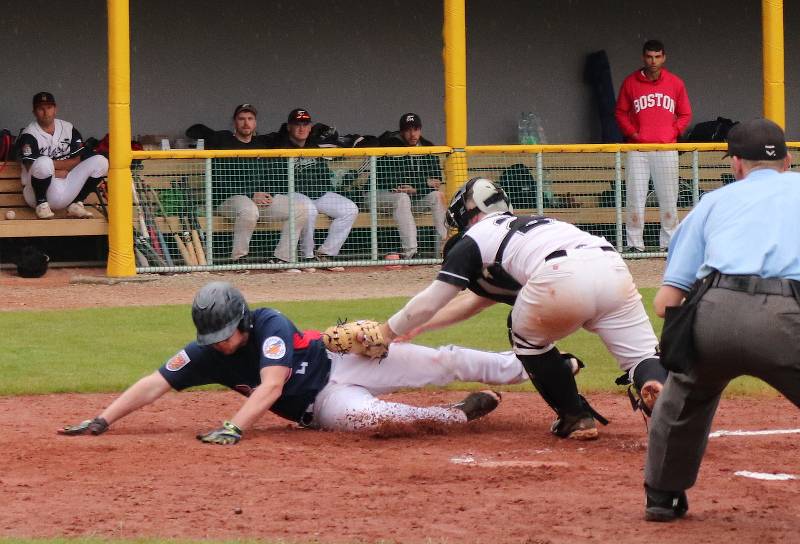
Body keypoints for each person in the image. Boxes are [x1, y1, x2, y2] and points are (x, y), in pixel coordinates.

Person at [371, 178, 667, 440]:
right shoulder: (535, 224)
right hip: (611, 267)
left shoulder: (475, 237)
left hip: (560, 275)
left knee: (524, 335)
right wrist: (421, 326)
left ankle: (575, 416)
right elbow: (478, 300)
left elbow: (434, 298)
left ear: (465, 213)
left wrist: (387, 331)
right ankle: (656, 386)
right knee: (642, 357)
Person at [58, 281, 527, 444]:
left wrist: (235, 426)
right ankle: (457, 414)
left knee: (440, 362)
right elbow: (154, 382)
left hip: (345, 363)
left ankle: (531, 366)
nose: (220, 345)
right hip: (321, 406)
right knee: (376, 420)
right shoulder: (205, 354)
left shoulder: (270, 323)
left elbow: (271, 388)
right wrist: (102, 418)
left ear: (242, 319)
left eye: (226, 334)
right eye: (213, 338)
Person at [644, 118, 800, 522]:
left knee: (684, 395)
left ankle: (662, 497)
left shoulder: (714, 202)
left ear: (736, 165)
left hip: (715, 312)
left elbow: (665, 302)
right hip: (788, 316)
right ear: (787, 160)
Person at [186, 104, 310, 264]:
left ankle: (282, 258)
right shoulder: (223, 142)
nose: (246, 123)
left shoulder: (262, 143)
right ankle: (239, 259)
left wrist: (268, 193)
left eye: (250, 119)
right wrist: (251, 193)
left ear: (255, 122)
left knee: (300, 210)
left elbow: (271, 173)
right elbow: (220, 180)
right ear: (234, 122)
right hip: (229, 200)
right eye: (241, 119)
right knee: (249, 210)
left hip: (258, 200)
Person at [615, 40, 692, 252]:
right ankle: (634, 244)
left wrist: (673, 132)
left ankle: (669, 243)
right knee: (635, 197)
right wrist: (632, 133)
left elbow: (685, 113)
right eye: (649, 56)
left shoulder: (675, 83)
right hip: (638, 149)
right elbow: (620, 112)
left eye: (657, 56)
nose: (653, 61)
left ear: (664, 57)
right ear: (643, 57)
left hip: (666, 148)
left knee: (668, 198)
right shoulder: (631, 82)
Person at [266, 109, 359, 264]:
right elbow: (277, 178)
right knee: (309, 210)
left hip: (317, 193)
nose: (302, 128)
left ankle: (325, 253)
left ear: (310, 127)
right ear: (289, 127)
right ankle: (307, 256)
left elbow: (323, 173)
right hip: (292, 193)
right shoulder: (280, 146)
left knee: (350, 209)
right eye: (297, 124)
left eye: (305, 124)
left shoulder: (313, 145)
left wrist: (326, 188)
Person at [18, 92, 108, 220]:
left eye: (49, 107)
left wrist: (53, 169)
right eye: (40, 108)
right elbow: (31, 167)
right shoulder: (29, 134)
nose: (45, 112)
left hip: (66, 186)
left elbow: (76, 160)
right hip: (35, 192)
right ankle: (41, 204)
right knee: (43, 162)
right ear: (34, 112)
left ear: (55, 109)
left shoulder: (68, 128)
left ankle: (76, 204)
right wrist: (56, 171)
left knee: (101, 161)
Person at [377, 113, 447, 258]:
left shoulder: (427, 147)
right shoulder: (391, 144)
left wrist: (416, 188)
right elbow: (395, 183)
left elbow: (436, 182)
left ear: (420, 129)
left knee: (437, 196)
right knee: (402, 197)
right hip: (381, 195)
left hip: (412, 198)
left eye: (415, 129)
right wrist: (423, 184)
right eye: (408, 130)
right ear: (402, 131)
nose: (412, 134)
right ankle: (411, 252)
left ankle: (445, 249)